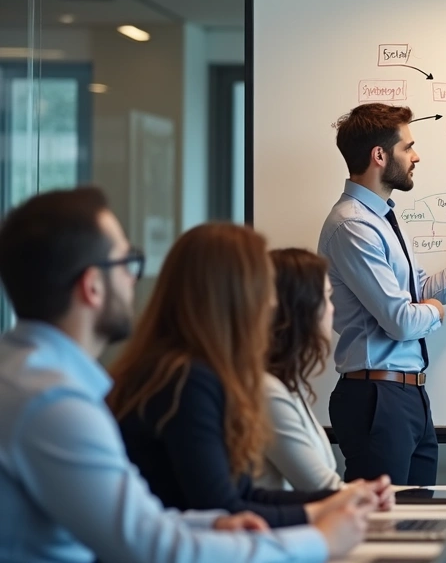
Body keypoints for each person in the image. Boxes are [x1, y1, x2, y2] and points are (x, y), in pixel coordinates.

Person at [0, 187, 372, 562]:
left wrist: (209, 527)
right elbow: (149, 546)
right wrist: (320, 541)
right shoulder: (54, 402)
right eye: (126, 261)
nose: (134, 279)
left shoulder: (32, 378)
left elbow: (148, 522)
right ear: (92, 286)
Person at [107, 223, 394, 527]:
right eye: (264, 288)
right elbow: (223, 508)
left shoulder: (192, 373)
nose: (272, 303)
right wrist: (324, 514)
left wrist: (340, 500)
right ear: (232, 296)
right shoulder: (186, 381)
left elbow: (242, 495)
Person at [320, 102, 446, 485]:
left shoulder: (381, 218)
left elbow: (422, 291)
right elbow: (401, 321)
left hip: (405, 396)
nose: (416, 157)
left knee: (414, 522)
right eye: (407, 147)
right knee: (383, 532)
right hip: (376, 399)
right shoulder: (353, 226)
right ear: (379, 155)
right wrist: (435, 313)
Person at [258, 248, 344, 492]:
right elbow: (323, 489)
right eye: (326, 297)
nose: (332, 308)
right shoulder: (267, 391)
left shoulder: (287, 384)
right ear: (302, 307)